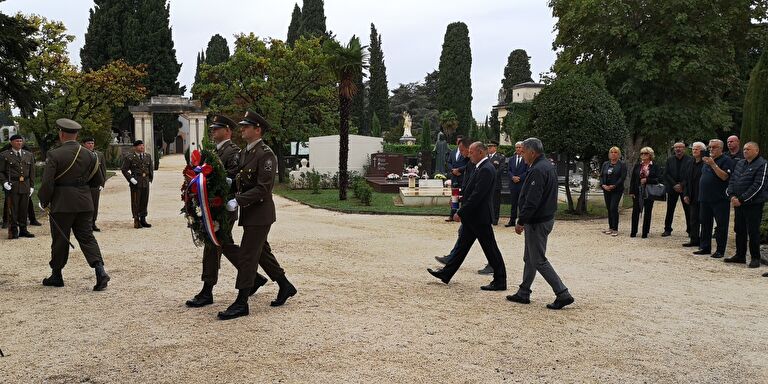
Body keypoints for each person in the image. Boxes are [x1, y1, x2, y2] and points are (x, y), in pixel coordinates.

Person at [217, 111, 297, 320]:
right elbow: (241, 180)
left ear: (257, 129)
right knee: (261, 253)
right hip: (250, 213)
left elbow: (263, 188)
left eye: (246, 126)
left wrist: (238, 200)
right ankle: (285, 285)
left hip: (260, 213)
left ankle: (241, 302)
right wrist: (228, 183)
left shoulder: (265, 154)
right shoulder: (245, 152)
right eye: (242, 126)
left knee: (247, 255)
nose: (241, 129)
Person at [185, 115, 269, 308]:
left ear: (227, 131)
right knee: (221, 243)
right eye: (212, 129)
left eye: (217, 129)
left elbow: (234, 179)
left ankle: (207, 290)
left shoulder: (233, 152)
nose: (213, 131)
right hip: (210, 207)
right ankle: (254, 277)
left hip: (223, 207)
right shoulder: (212, 152)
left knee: (213, 245)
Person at [38, 118, 109, 291]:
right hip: (85, 202)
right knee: (87, 237)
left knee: (60, 239)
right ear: (76, 135)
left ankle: (57, 275)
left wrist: (44, 200)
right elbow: (98, 180)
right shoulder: (90, 154)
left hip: (62, 203)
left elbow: (47, 183)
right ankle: (100, 270)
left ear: (61, 134)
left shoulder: (54, 154)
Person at [427, 141, 507, 291]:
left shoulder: (486, 169)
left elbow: (478, 195)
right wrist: (460, 199)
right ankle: (446, 273)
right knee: (461, 247)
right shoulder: (480, 167)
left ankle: (500, 280)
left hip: (480, 217)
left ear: (481, 152)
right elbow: (472, 191)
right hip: (474, 217)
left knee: (490, 249)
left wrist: (461, 212)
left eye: (471, 152)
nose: (469, 155)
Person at [506, 138, 574, 310]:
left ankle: (562, 293)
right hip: (543, 218)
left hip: (537, 221)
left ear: (532, 152)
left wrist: (521, 220)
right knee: (530, 258)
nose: (521, 154)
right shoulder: (545, 166)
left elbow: (532, 200)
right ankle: (524, 292)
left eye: (524, 151)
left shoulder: (538, 169)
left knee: (538, 260)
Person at [725, 142, 767, 268]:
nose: (745, 151)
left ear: (757, 151)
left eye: (748, 149)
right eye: (744, 149)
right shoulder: (740, 163)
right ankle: (740, 255)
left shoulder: (762, 164)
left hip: (753, 204)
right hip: (738, 203)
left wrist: (742, 199)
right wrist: (731, 195)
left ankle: (755, 258)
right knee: (739, 229)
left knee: (753, 231)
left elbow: (759, 185)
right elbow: (732, 180)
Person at [434, 138, 474, 265]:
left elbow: (476, 191)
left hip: (478, 211)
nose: (461, 153)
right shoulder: (471, 165)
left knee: (487, 242)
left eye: (462, 150)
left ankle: (494, 266)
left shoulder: (478, 166)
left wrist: (461, 210)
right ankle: (451, 260)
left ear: (470, 149)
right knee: (464, 234)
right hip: (472, 207)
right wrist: (459, 198)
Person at [694, 139, 734, 258]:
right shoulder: (706, 160)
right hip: (705, 198)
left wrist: (713, 164)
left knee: (721, 225)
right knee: (705, 223)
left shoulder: (726, 160)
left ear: (721, 149)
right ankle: (705, 247)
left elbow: (724, 177)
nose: (711, 149)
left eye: (714, 147)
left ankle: (720, 250)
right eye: (710, 147)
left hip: (719, 198)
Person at [0, 134, 35, 239]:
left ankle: (23, 230)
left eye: (20, 141)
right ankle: (14, 230)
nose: (19, 143)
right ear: (11, 142)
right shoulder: (4, 155)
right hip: (13, 185)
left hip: (25, 184)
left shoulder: (28, 154)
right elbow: (0, 171)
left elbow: (32, 172)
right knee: (13, 209)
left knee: (24, 208)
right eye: (16, 141)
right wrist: (4, 182)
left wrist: (32, 186)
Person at [662, 142, 693, 237]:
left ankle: (690, 230)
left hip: (685, 188)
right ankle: (667, 229)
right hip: (672, 188)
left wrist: (682, 185)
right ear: (674, 149)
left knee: (688, 210)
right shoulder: (670, 160)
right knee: (670, 209)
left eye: (680, 147)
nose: (678, 149)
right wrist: (674, 185)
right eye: (676, 147)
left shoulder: (690, 160)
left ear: (684, 149)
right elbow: (666, 174)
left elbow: (690, 174)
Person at [121, 140, 153, 229]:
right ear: (135, 147)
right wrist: (130, 178)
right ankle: (136, 219)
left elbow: (150, 168)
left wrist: (150, 178)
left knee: (144, 200)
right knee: (136, 201)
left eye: (142, 145)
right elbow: (124, 169)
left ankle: (143, 218)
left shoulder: (147, 156)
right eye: (139, 146)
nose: (142, 147)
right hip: (136, 181)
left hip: (145, 181)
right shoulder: (130, 157)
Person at [629, 147, 660, 238]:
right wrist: (631, 191)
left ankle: (645, 232)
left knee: (648, 211)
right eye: (642, 153)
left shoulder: (655, 166)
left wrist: (647, 180)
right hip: (638, 191)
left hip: (649, 191)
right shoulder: (638, 166)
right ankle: (633, 231)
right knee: (635, 211)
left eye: (645, 154)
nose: (643, 155)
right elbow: (633, 179)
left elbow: (658, 179)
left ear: (650, 155)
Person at [682, 142, 706, 247]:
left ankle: (704, 241)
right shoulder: (689, 162)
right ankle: (694, 239)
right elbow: (687, 179)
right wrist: (686, 194)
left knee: (704, 219)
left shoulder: (706, 162)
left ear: (702, 151)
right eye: (693, 149)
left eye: (697, 149)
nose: (694, 151)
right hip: (692, 195)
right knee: (693, 219)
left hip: (703, 195)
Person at [600, 146, 627, 236]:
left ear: (618, 154)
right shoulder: (605, 164)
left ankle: (615, 228)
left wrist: (614, 185)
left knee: (613, 208)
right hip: (606, 189)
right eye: (612, 152)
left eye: (615, 152)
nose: (613, 154)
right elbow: (601, 176)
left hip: (616, 189)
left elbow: (622, 177)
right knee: (609, 208)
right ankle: (610, 227)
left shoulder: (622, 164)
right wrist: (603, 185)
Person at [82, 138, 106, 232]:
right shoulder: (80, 155)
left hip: (95, 185)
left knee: (94, 205)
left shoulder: (99, 155)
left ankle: (93, 223)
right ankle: (85, 224)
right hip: (84, 185)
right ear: (84, 144)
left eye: (92, 143)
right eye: (88, 143)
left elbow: (103, 170)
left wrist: (102, 183)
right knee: (84, 205)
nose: (91, 145)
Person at [505, 141, 528, 227]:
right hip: (513, 184)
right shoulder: (512, 159)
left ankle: (522, 222)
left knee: (522, 203)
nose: (518, 149)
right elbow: (509, 170)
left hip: (522, 183)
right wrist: (512, 177)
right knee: (513, 203)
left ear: (523, 148)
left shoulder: (526, 158)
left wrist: (519, 178)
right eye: (517, 147)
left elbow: (527, 171)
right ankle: (512, 220)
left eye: (520, 147)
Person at [447, 135, 468, 221]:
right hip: (454, 177)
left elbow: (469, 164)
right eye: (458, 141)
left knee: (463, 196)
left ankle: (462, 215)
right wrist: (452, 170)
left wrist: (459, 170)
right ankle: (452, 214)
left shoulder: (466, 152)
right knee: (454, 196)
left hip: (462, 176)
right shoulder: (453, 152)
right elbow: (448, 162)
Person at [487, 140, 505, 226]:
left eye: (491, 147)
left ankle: (495, 218)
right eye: (488, 147)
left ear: (495, 148)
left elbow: (500, 169)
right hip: (486, 183)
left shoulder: (500, 157)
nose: (489, 148)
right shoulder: (485, 157)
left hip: (495, 183)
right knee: (486, 201)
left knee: (495, 202)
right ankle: (488, 217)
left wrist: (490, 175)